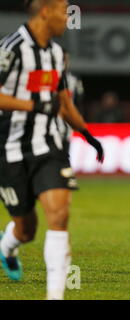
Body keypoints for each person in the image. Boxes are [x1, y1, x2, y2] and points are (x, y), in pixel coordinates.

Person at [0, 0, 104, 300]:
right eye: (64, 12)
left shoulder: (58, 55)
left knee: (59, 216)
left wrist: (86, 133)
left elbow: (64, 102)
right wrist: (33, 105)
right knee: (26, 229)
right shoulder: (11, 48)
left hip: (49, 147)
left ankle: (55, 296)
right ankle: (7, 246)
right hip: (10, 149)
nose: (68, 19)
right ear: (45, 11)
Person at [56, 49, 85, 154]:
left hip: (67, 123)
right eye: (63, 59)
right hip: (50, 122)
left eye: (67, 59)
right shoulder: (50, 76)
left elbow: (79, 100)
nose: (65, 62)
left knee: (65, 153)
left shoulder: (74, 79)